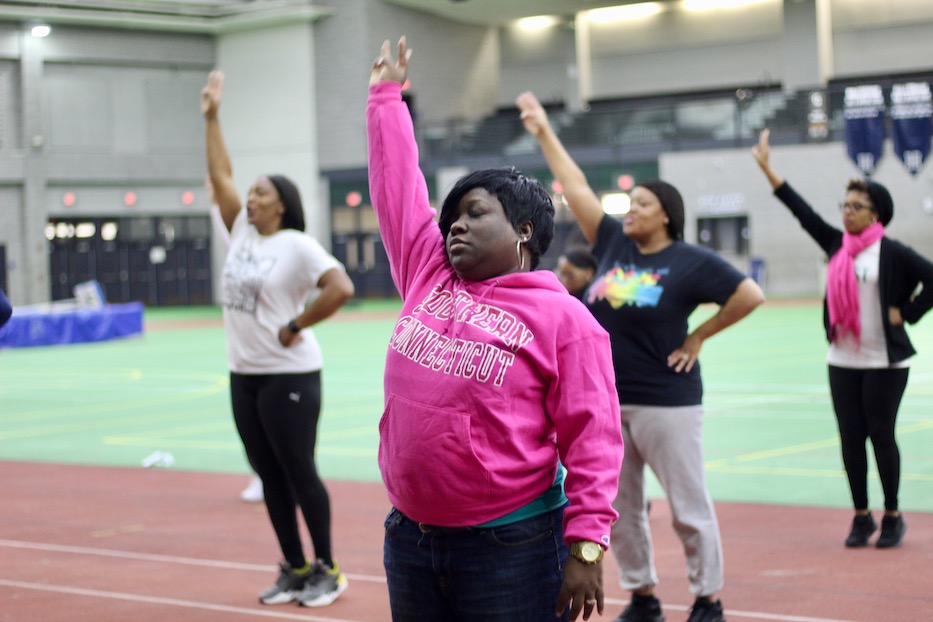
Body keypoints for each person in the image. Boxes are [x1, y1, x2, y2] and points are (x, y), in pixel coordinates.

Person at [368, 38, 624, 622]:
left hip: (510, 547)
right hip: (410, 538)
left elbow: (595, 439)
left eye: (476, 213)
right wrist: (386, 96)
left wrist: (586, 545)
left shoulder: (565, 320)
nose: (455, 226)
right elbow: (397, 189)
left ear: (525, 230)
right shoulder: (428, 276)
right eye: (452, 217)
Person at [518, 91, 765, 622]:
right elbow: (577, 185)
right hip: (607, 404)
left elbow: (749, 294)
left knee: (687, 506)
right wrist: (542, 130)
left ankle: (708, 598)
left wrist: (698, 337)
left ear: (668, 217)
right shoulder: (611, 242)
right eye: (631, 205)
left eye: (644, 206)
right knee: (621, 509)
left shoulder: (691, 261)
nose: (632, 212)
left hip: (666, 402)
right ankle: (644, 594)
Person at [201, 69, 355, 607]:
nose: (249, 198)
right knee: (268, 474)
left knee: (298, 471)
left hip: (289, 375)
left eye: (260, 192)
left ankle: (328, 569)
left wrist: (297, 325)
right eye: (249, 193)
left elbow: (340, 286)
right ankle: (293, 566)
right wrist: (211, 116)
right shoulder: (241, 232)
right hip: (244, 376)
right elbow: (220, 174)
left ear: (282, 203)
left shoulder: (296, 244)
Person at [752, 129, 933, 549]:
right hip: (843, 360)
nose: (847, 212)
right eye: (845, 205)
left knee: (881, 436)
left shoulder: (894, 253)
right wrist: (767, 170)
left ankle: (892, 514)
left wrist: (906, 313)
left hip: (885, 363)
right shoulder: (837, 246)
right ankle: (860, 516)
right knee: (851, 437)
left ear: (876, 214)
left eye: (857, 206)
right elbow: (802, 211)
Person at [207, 175, 266, 505]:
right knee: (251, 431)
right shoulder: (238, 239)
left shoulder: (288, 245)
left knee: (285, 440)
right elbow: (224, 216)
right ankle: (259, 475)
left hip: (280, 359)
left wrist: (297, 324)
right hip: (242, 360)